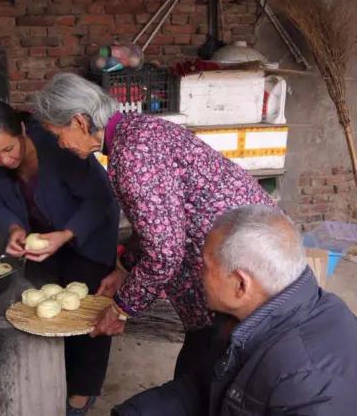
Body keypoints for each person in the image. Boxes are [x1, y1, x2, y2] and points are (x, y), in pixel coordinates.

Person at [31, 73, 275, 379]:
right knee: (208, 358)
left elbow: (164, 253)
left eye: (58, 135)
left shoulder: (132, 155)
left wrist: (121, 308)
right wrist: (124, 268)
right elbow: (157, 223)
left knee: (211, 367)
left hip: (243, 260)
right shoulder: (136, 131)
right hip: (251, 245)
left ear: (80, 122)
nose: (61, 145)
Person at [112, 204, 357, 415]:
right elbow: (207, 388)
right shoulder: (247, 317)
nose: (199, 275)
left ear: (241, 284)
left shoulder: (309, 388)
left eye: (206, 267)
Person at [0, 100, 120, 415]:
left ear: (22, 131)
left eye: (8, 149)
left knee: (87, 311)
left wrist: (67, 235)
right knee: (40, 306)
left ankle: (81, 394)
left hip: (88, 236)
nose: (2, 160)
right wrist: (13, 229)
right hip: (43, 242)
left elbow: (100, 200)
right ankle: (52, 379)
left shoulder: (59, 148)